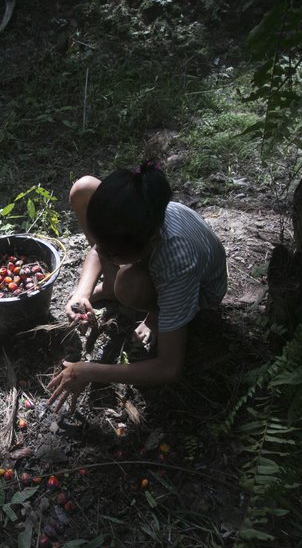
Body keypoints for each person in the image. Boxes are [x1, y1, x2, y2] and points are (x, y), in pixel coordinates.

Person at [47, 159, 227, 413]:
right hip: (157, 257)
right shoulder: (140, 213)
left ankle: (153, 311)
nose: (104, 255)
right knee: (85, 187)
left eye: (114, 255)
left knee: (128, 285)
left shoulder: (176, 263)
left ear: (145, 246)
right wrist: (81, 292)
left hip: (200, 293)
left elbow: (168, 368)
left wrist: (91, 371)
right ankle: (110, 288)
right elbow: (100, 249)